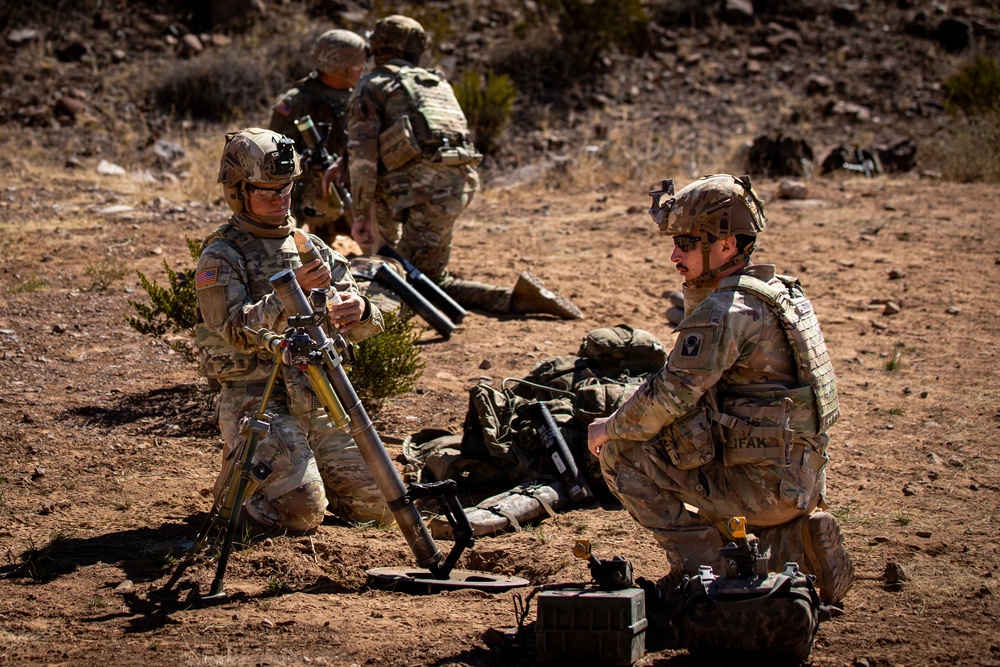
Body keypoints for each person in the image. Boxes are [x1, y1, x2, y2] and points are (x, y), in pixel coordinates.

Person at [587, 174, 855, 605]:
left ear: (727, 245)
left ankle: (703, 575)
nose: (675, 254)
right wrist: (696, 280)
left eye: (688, 243)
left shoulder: (725, 311)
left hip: (763, 484)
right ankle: (795, 544)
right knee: (684, 433)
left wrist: (610, 427)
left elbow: (671, 393)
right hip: (799, 477)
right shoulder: (775, 292)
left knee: (622, 451)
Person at [195, 127, 390, 532]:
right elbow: (231, 331)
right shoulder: (222, 255)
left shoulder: (311, 246)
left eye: (286, 188)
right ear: (238, 191)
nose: (280, 199)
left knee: (378, 506)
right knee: (300, 512)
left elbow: (367, 324)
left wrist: (361, 310)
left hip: (318, 397)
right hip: (259, 402)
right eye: (267, 190)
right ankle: (238, 488)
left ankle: (301, 472)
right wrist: (289, 293)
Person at [345, 14, 582, 320]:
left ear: (376, 48)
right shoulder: (434, 82)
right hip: (456, 186)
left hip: (413, 191)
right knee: (431, 276)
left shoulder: (372, 84)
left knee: (400, 280)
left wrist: (361, 214)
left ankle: (367, 325)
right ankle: (511, 300)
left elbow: (362, 160)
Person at [268, 29, 367, 245]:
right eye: (359, 64)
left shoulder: (362, 95)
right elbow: (275, 157)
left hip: (354, 187)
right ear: (342, 69)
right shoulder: (296, 103)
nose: (363, 69)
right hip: (315, 193)